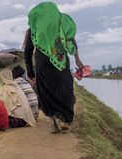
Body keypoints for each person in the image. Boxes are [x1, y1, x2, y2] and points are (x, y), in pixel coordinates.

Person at [24, 2, 84, 133]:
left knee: (47, 92)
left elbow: (28, 50)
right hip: (60, 60)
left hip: (42, 62)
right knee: (65, 88)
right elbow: (72, 40)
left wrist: (30, 72)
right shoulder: (61, 22)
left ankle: (54, 122)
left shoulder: (34, 29)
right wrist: (78, 60)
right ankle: (65, 120)